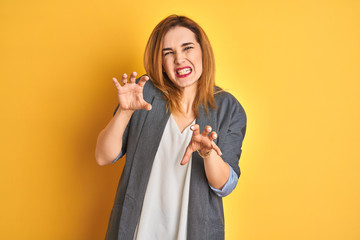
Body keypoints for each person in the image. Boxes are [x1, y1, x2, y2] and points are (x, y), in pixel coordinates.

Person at [95, 15, 247, 240]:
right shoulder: (143, 93)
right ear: (161, 62)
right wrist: (125, 112)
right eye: (168, 53)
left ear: (202, 51)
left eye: (187, 48)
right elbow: (102, 156)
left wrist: (208, 154)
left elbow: (225, 185)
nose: (179, 59)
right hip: (138, 231)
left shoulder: (227, 107)